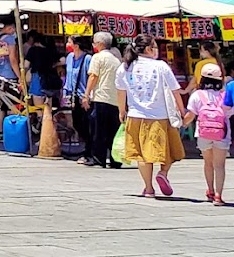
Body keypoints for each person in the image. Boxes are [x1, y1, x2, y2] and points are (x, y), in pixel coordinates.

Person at [117, 32, 185, 198]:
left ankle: (148, 188)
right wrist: (182, 111)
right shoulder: (160, 66)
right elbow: (176, 91)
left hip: (135, 116)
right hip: (160, 117)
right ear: (148, 49)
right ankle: (163, 173)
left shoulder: (125, 67)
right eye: (155, 47)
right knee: (169, 150)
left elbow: (121, 93)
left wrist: (121, 111)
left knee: (141, 155)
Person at [183, 62, 231, 205]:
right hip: (222, 133)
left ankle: (210, 190)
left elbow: (190, 115)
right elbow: (230, 112)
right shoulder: (225, 95)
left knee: (208, 163)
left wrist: (182, 123)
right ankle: (218, 195)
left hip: (203, 133)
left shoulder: (197, 95)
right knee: (219, 165)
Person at [84, 31, 123, 168]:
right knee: (113, 131)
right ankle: (115, 160)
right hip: (114, 99)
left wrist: (86, 94)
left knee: (99, 131)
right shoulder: (116, 59)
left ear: (100, 44)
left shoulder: (98, 57)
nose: (93, 45)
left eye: (94, 42)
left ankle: (98, 158)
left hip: (101, 97)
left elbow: (93, 76)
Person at [63, 36, 93, 160]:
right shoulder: (69, 58)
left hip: (84, 96)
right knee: (76, 123)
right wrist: (65, 91)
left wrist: (87, 95)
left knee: (86, 125)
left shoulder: (88, 59)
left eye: (70, 42)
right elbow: (68, 75)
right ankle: (86, 148)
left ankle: (89, 151)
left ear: (76, 45)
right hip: (73, 96)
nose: (67, 44)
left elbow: (92, 77)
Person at [23, 32, 62, 105]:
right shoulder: (51, 51)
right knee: (48, 109)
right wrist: (55, 65)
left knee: (39, 108)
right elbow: (63, 60)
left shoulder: (33, 50)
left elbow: (26, 65)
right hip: (51, 81)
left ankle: (40, 116)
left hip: (38, 79)